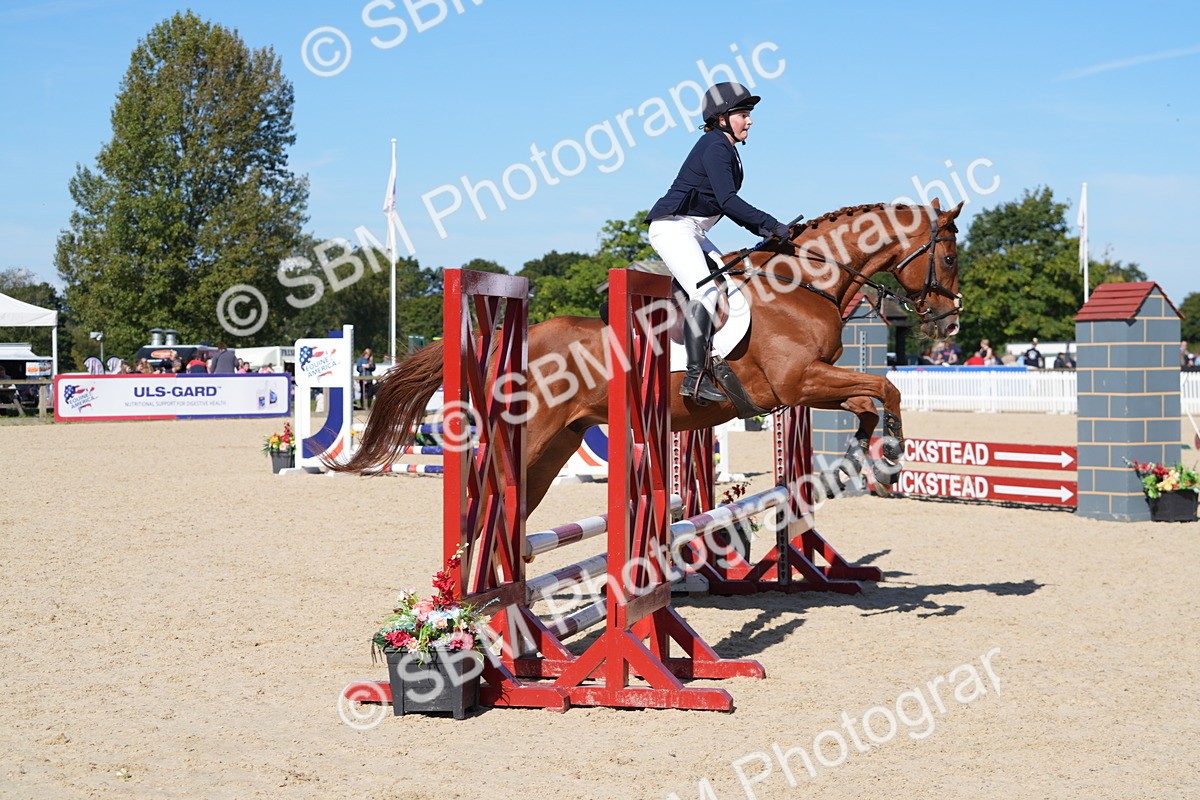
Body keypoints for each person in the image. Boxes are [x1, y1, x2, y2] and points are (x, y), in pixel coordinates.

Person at [645, 81, 792, 404]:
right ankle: (694, 378)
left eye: (749, 114)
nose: (750, 120)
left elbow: (726, 202)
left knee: (732, 284)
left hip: (693, 230)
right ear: (722, 118)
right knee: (706, 292)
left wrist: (768, 232)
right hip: (674, 227)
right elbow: (727, 200)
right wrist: (769, 225)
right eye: (743, 113)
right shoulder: (715, 145)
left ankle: (711, 359)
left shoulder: (726, 148)